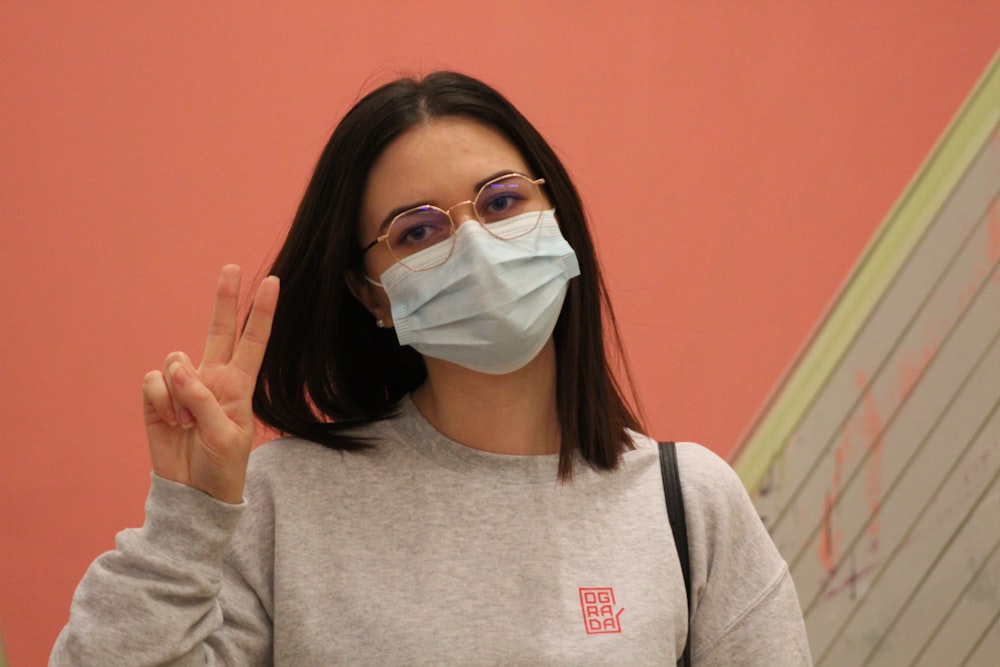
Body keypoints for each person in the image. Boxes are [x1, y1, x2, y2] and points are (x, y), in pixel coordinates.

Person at [51, 71, 811, 665]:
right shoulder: (285, 504)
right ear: (372, 294)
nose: (476, 244)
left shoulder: (689, 506)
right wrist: (188, 517)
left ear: (557, 216)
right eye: (418, 230)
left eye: (503, 200)